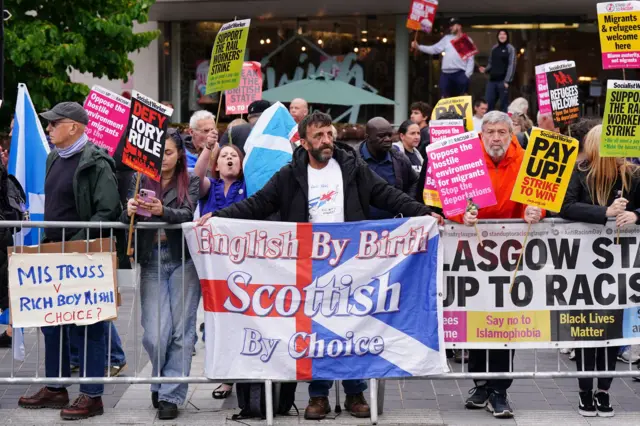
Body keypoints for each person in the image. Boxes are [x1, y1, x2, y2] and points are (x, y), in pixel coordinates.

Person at [211, 111, 443, 421]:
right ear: (304, 142)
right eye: (319, 136)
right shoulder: (289, 175)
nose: (326, 141)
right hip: (309, 266)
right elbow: (259, 204)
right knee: (317, 329)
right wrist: (219, 218)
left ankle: (355, 392)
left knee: (353, 324)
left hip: (352, 263)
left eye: (329, 135)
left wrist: (423, 212)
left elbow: (385, 195)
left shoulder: (352, 168)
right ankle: (318, 396)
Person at [18, 102, 121, 420]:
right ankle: (56, 387)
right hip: (55, 253)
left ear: (74, 127)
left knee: (89, 326)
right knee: (53, 324)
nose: (48, 129)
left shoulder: (97, 161)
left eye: (54, 124)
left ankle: (92, 395)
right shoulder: (53, 158)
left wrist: (74, 240)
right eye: (48, 124)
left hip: (84, 255)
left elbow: (109, 209)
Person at [454, 111, 543, 419]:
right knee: (478, 316)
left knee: (505, 320)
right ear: (481, 135)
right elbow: (452, 202)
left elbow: (537, 200)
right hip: (474, 250)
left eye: (501, 132)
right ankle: (480, 384)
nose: (495, 138)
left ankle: (499, 389)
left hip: (510, 253)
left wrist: (536, 211)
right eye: (489, 132)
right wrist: (460, 216)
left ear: (510, 134)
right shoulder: (466, 160)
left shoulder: (526, 161)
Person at [559, 124, 638, 418]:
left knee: (611, 332)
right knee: (586, 332)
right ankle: (584, 393)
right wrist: (604, 212)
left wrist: (635, 214)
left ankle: (603, 392)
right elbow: (564, 207)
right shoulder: (579, 172)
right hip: (583, 266)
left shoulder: (632, 175)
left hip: (618, 267)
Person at [122, 129, 200, 420]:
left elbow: (187, 214)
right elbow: (124, 220)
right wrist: (128, 209)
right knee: (156, 333)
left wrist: (162, 210)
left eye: (168, 153)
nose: (163, 159)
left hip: (183, 260)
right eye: (159, 153)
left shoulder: (189, 179)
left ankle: (171, 395)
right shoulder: (139, 178)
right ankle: (160, 378)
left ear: (179, 153)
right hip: (152, 260)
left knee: (182, 331)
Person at [193, 138, 247, 401]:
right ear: (217, 164)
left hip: (243, 269)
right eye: (224, 156)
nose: (229, 159)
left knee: (240, 322)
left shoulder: (248, 186)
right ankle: (226, 377)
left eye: (234, 156)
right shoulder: (209, 186)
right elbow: (196, 177)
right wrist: (207, 149)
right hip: (214, 270)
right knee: (218, 324)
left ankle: (239, 375)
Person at [356, 117, 419, 219]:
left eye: (389, 135)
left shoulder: (400, 158)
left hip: (394, 227)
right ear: (367, 137)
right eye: (381, 136)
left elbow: (415, 181)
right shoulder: (353, 160)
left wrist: (406, 205)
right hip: (363, 227)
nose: (387, 139)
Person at [411, 18, 475, 98]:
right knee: (444, 98)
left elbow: (470, 59)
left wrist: (467, 75)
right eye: (450, 26)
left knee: (462, 98)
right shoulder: (447, 38)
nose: (450, 27)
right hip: (446, 74)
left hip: (460, 73)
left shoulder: (466, 40)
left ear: (459, 26)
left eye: (453, 25)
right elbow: (434, 49)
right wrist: (419, 47)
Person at [479, 30, 516, 112]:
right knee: (488, 104)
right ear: (497, 36)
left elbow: (511, 65)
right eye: (500, 34)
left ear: (507, 36)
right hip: (492, 81)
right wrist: (485, 69)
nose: (502, 36)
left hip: (503, 81)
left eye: (504, 34)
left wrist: (507, 81)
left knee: (503, 105)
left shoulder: (510, 48)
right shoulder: (494, 48)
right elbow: (491, 63)